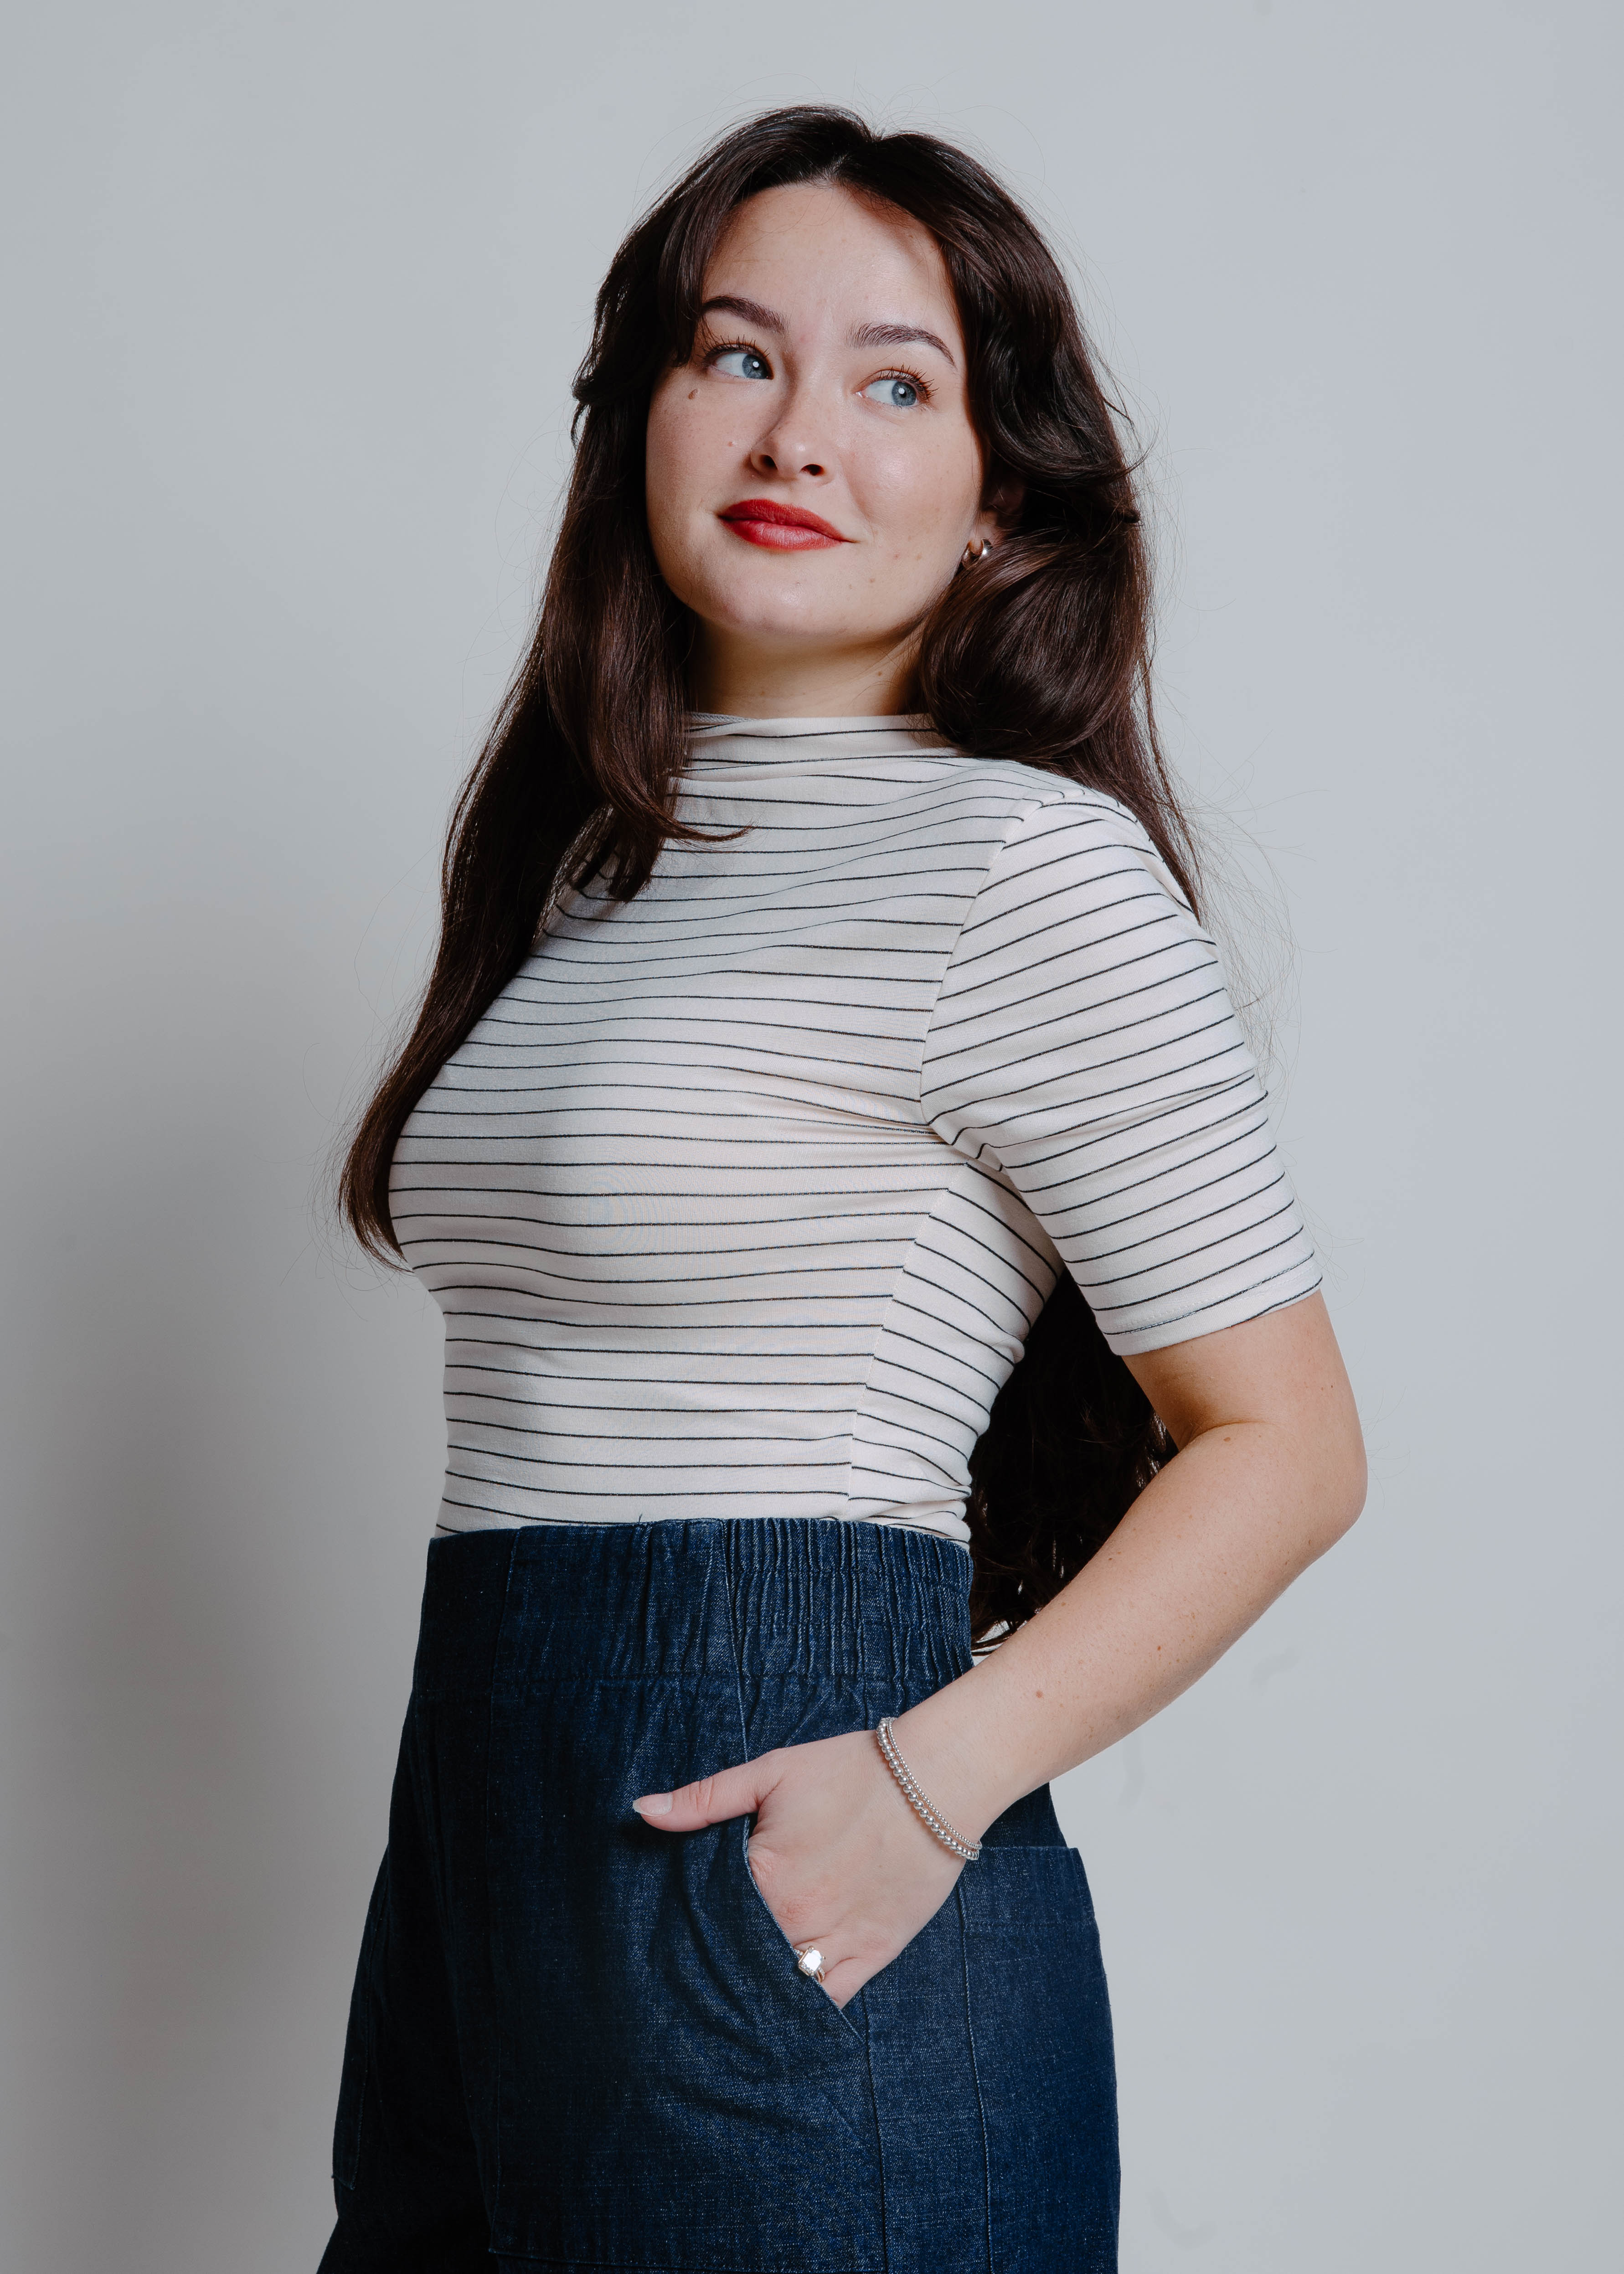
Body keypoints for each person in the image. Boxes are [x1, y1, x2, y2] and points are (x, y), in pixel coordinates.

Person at [320, 105, 1365, 2274]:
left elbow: (1288, 1443)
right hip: (483, 1827)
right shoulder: (596, 872)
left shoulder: (1019, 866)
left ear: (1001, 497)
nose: (798, 431)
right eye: (739, 355)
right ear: (642, 413)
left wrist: (922, 1784)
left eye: (898, 383)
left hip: (781, 1836)